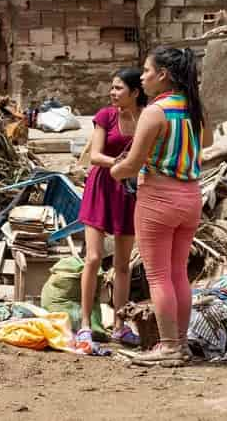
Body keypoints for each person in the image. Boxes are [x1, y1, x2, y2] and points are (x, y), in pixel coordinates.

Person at [111, 47, 213, 364]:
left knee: (158, 277)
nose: (142, 77)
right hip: (191, 197)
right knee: (178, 274)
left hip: (158, 198)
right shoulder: (194, 108)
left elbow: (132, 163)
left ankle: (168, 346)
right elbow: (206, 143)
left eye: (146, 71)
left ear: (163, 75)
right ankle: (180, 343)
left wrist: (113, 171)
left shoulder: (156, 112)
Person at [75, 68, 147, 347]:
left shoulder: (146, 118)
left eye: (118, 88)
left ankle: (120, 324)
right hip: (102, 187)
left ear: (135, 92)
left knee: (122, 265)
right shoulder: (106, 116)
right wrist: (123, 164)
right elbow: (94, 156)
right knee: (92, 258)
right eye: (112, 88)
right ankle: (84, 324)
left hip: (129, 191)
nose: (112, 93)